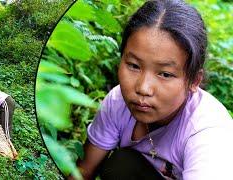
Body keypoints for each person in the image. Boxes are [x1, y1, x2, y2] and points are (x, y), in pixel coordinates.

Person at [75, 0, 233, 179]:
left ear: (194, 80)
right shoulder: (118, 102)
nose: (143, 88)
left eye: (165, 74)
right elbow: (84, 171)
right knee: (122, 164)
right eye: (134, 65)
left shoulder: (208, 134)